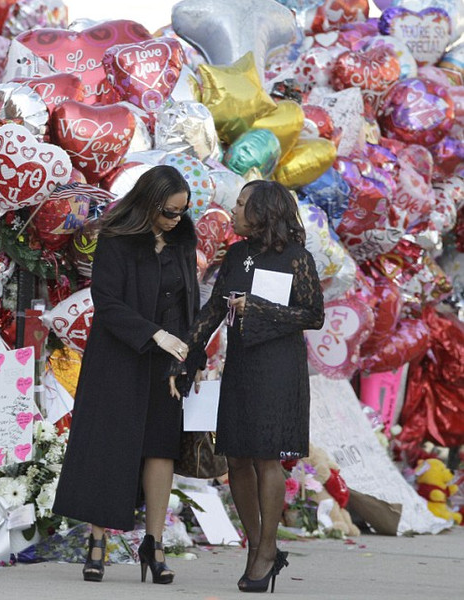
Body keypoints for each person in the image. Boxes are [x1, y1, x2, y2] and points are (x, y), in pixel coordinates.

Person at [53, 165, 198, 584]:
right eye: (170, 212)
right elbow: (107, 302)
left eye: (181, 212)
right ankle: (96, 541)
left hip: (166, 360)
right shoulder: (116, 237)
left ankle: (154, 546)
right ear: (150, 202)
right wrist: (155, 335)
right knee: (108, 446)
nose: (176, 220)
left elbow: (189, 303)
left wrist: (187, 358)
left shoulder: (182, 240)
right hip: (118, 356)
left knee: (161, 448)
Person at [181, 180, 324, 593]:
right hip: (242, 362)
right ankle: (255, 544)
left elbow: (313, 315)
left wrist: (258, 307)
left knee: (266, 458)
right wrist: (188, 355)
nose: (235, 211)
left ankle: (267, 548)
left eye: (242, 205)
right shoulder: (238, 254)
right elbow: (214, 308)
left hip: (278, 367)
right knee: (237, 457)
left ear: (263, 212)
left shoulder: (298, 258)